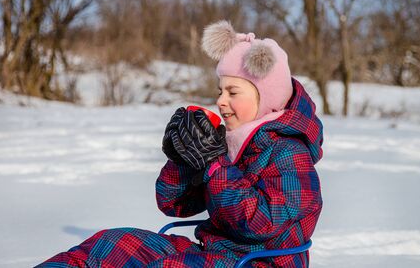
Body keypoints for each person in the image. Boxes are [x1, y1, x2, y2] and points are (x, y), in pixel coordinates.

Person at [36, 20, 323, 268]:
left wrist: (213, 163)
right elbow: (174, 205)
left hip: (257, 262)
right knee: (110, 245)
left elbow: (260, 223)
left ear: (267, 98)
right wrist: (181, 158)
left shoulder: (290, 152)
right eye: (220, 90)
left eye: (233, 91)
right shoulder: (231, 143)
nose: (221, 100)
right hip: (214, 255)